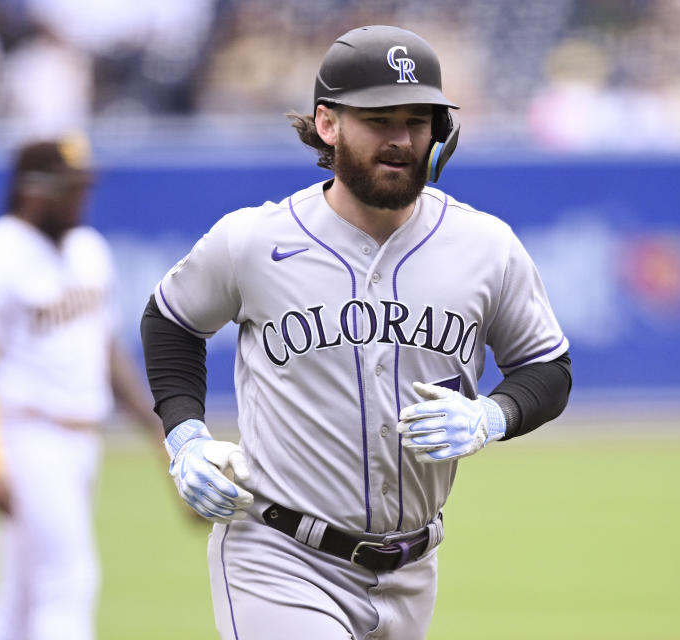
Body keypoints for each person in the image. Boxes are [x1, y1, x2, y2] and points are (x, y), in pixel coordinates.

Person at [141, 25, 572, 640]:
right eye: (379, 119)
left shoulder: (486, 247)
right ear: (328, 124)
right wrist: (185, 437)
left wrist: (494, 416)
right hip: (280, 557)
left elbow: (548, 367)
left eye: (417, 121)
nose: (400, 140)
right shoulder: (255, 241)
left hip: (414, 568)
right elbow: (170, 320)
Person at [0, 135, 162, 640]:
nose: (80, 197)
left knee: (20, 595)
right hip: (24, 438)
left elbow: (105, 351)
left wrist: (155, 429)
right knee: (69, 580)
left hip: (81, 438)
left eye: (83, 186)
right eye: (69, 187)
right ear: (32, 190)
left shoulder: (88, 250)